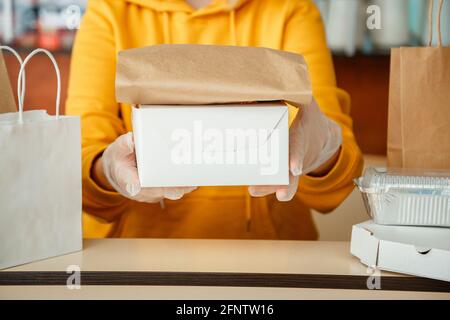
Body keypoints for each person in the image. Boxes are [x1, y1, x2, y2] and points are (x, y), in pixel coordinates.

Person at [66, 0, 364, 239]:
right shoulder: (109, 12)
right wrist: (107, 169)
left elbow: (337, 186)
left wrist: (323, 146)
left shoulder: (291, 10)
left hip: (272, 267)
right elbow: (79, 176)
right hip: (138, 266)